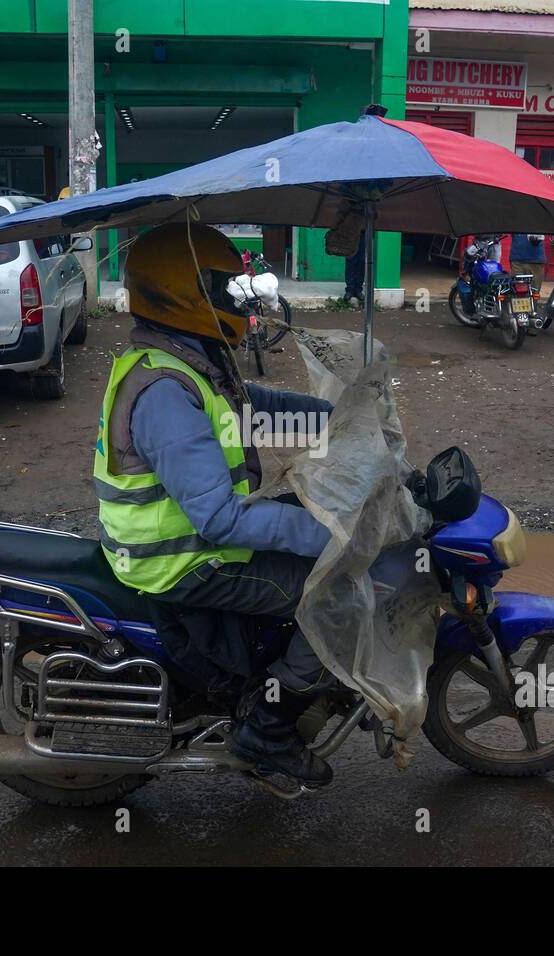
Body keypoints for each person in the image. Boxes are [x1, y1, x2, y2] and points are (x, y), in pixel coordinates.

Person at [93, 222, 337, 787]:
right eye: (223, 289)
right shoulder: (164, 391)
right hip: (181, 557)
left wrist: (336, 417)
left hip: (193, 537)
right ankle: (269, 732)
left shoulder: (181, 355)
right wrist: (333, 532)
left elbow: (250, 406)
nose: (236, 300)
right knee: (336, 596)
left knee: (299, 531)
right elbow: (220, 518)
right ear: (185, 292)